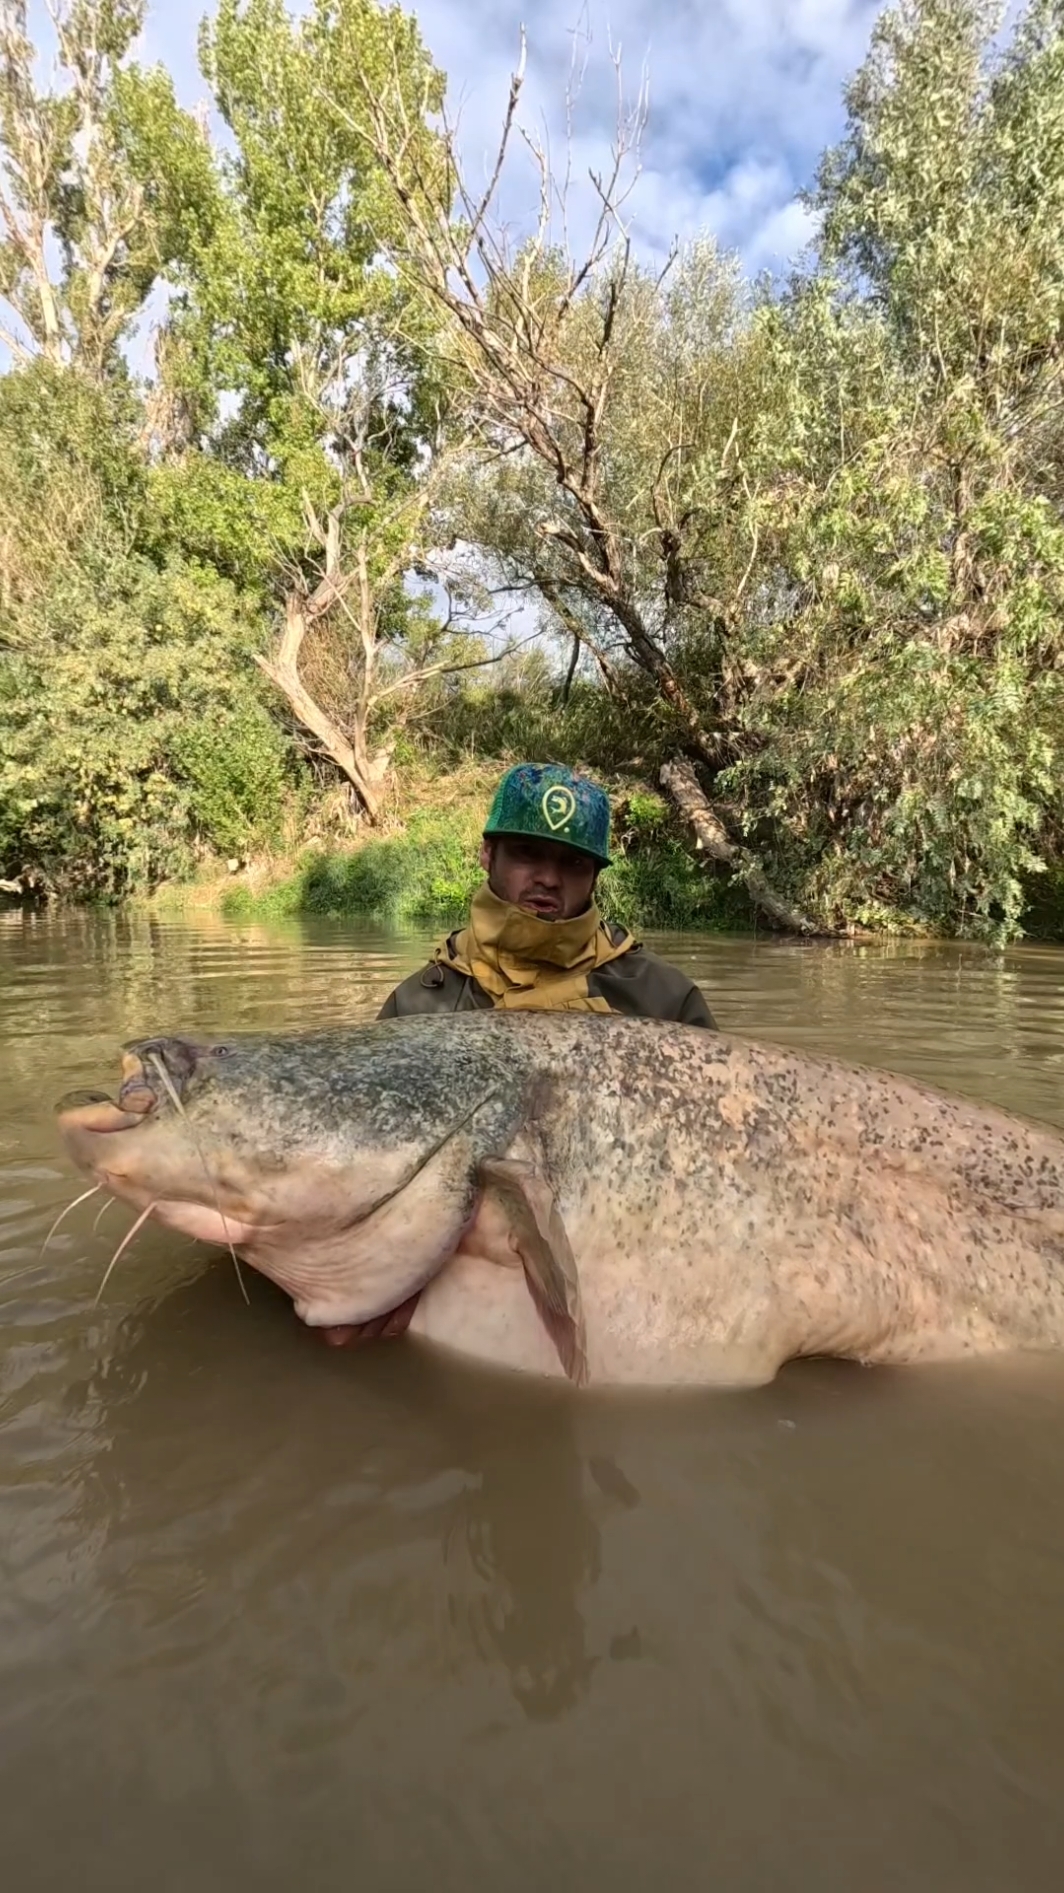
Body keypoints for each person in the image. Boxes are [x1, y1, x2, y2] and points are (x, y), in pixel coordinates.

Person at [378, 762, 716, 1027]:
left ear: (595, 877)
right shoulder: (414, 1006)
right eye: (527, 852)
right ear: (487, 853)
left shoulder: (666, 1000)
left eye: (573, 862)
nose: (550, 878)